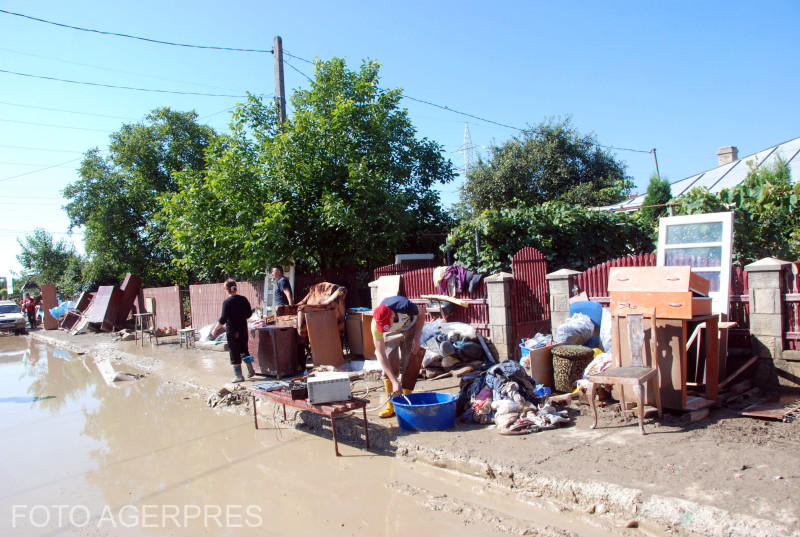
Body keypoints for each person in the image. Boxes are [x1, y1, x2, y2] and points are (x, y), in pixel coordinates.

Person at [371, 295, 426, 418]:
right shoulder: (376, 325)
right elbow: (380, 354)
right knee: (390, 361)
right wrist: (394, 381)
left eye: (387, 323)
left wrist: (417, 338)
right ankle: (391, 405)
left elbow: (422, 313)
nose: (385, 326)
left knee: (410, 361)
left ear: (392, 315)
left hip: (410, 326)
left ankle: (405, 402)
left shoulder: (404, 306)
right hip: (392, 333)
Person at [210, 279, 255, 383]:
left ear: (227, 289)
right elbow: (249, 314)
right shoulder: (243, 299)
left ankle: (238, 376)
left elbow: (223, 319)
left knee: (234, 352)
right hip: (243, 328)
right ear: (235, 288)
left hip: (232, 330)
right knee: (244, 349)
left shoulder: (227, 302)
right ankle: (251, 370)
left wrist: (215, 330)